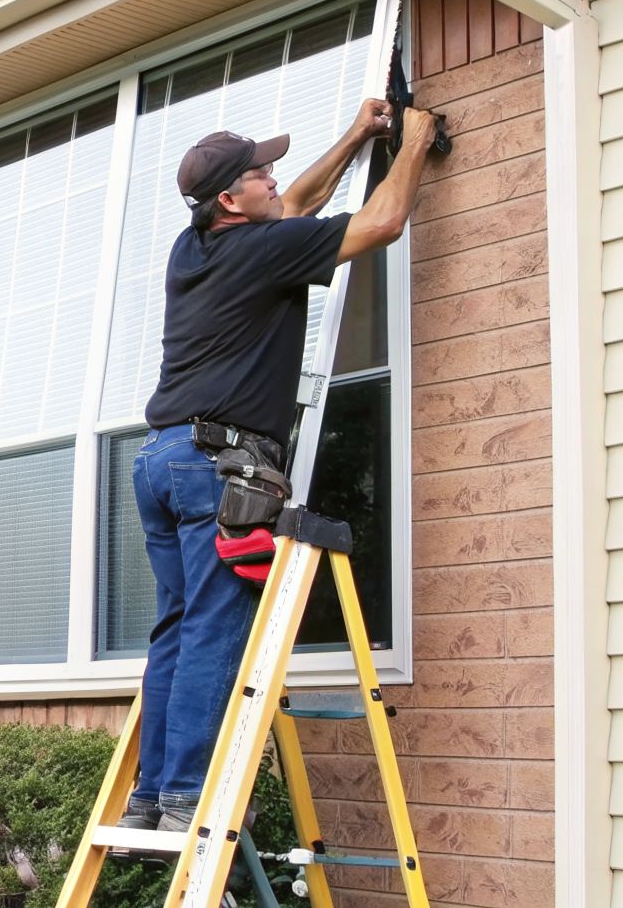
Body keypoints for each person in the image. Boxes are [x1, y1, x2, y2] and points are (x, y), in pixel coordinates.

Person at [119, 99, 438, 835]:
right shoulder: (263, 251)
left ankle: (150, 795)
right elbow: (383, 223)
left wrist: (358, 136)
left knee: (175, 628)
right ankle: (185, 798)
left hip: (163, 458)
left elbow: (297, 203)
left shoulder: (192, 246)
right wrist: (413, 143)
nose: (274, 176)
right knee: (210, 629)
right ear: (230, 198)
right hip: (215, 466)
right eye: (260, 170)